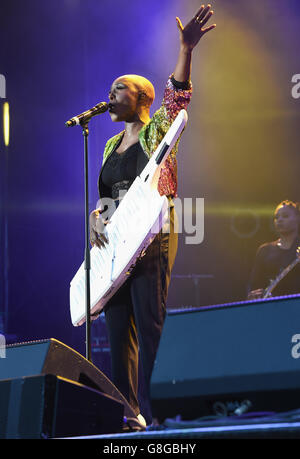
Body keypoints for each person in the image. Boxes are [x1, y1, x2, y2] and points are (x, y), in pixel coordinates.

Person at [89, 5, 216, 427]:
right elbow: (107, 196)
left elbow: (178, 94)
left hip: (154, 234)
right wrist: (96, 217)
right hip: (117, 244)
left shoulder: (158, 128)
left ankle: (162, 413)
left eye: (119, 87)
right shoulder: (108, 146)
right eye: (110, 87)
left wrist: (186, 50)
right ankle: (130, 415)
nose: (111, 93)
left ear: (142, 99)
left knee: (150, 323)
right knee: (117, 327)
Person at [247, 200, 300, 300]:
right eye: (277, 217)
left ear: (297, 218)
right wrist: (253, 295)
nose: (279, 220)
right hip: (271, 307)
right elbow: (254, 285)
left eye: (285, 216)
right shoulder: (264, 250)